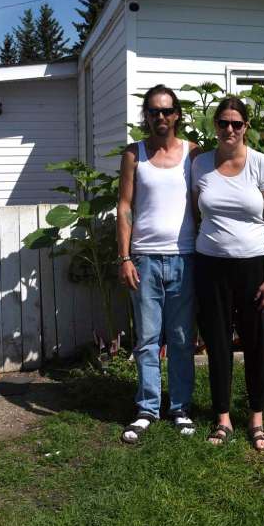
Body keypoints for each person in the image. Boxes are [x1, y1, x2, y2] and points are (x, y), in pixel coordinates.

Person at [191, 97, 264, 451]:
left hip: (253, 266)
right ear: (215, 126)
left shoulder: (261, 164)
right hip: (210, 265)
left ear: (246, 127)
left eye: (236, 123)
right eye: (223, 123)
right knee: (217, 342)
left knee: (257, 342)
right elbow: (193, 212)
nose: (229, 129)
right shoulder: (200, 165)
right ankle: (223, 418)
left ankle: (257, 419)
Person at [116, 85, 198, 443]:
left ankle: (180, 407)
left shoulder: (193, 154)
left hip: (185, 258)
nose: (160, 117)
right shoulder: (134, 155)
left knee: (181, 339)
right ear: (145, 116)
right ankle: (148, 407)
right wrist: (124, 257)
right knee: (147, 340)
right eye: (153, 111)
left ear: (177, 114)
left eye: (166, 111)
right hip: (144, 260)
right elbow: (124, 207)